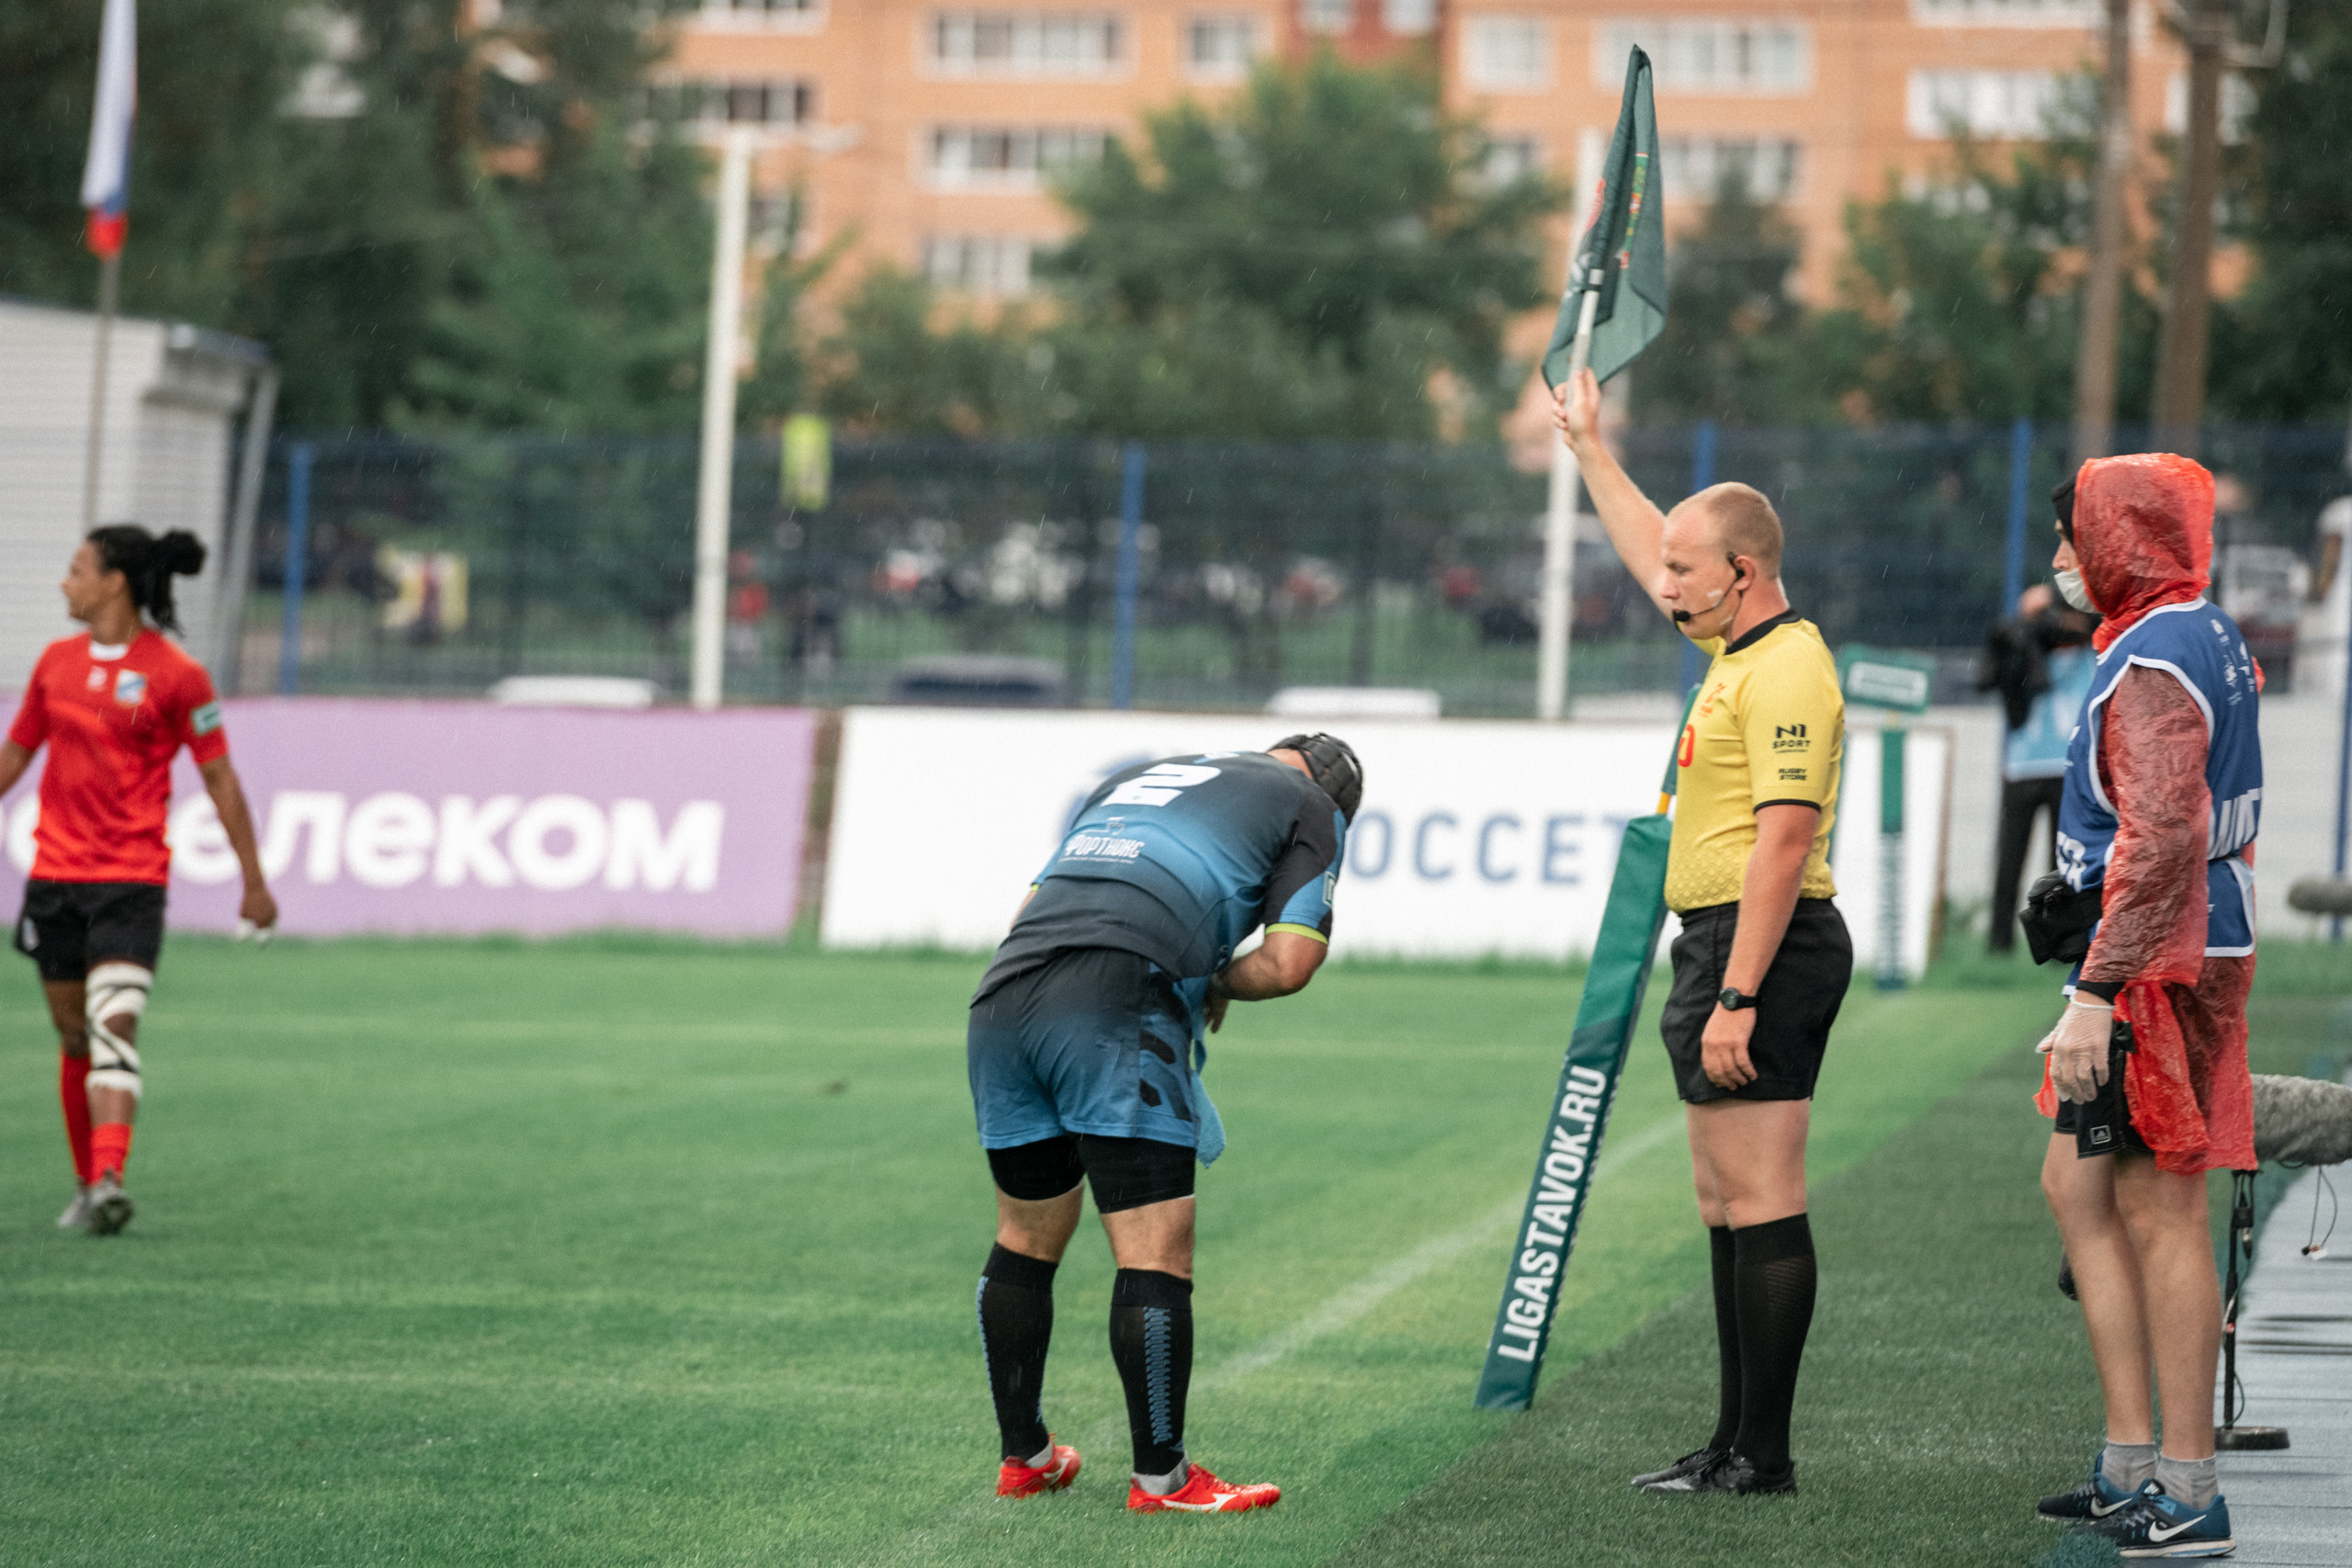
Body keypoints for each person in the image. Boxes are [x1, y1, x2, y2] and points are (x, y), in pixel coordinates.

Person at [1554, 367, 1849, 1496]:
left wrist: (1737, 994)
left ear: (1744, 574)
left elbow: (1784, 842)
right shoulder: (1735, 645)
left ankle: (1761, 1457)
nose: (1662, 584)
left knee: (1763, 1192)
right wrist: (1590, 448)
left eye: (1685, 570)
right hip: (1719, 941)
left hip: (1760, 947)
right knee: (1723, 1200)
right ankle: (1730, 1444)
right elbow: (1653, 548)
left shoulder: (1788, 667)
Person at [966, 735, 1359, 1514]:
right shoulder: (1313, 805)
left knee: (1025, 1236)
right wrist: (1210, 979)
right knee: (1154, 1249)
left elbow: (1029, 906)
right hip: (1117, 995)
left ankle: (1027, 1457)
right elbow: (1288, 962)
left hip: (1004, 994)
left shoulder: (1139, 775)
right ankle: (1163, 1479)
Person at [2032, 456, 2257, 1559]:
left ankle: (2188, 1486)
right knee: (2075, 1185)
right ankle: (2134, 1463)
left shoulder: (2157, 650)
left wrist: (2094, 989)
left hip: (2157, 962)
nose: (2062, 562)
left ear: (2122, 542)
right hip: (2177, 943)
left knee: (2160, 1209)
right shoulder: (2191, 626)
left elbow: (2163, 833)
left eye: (2074, 537)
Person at [0, 525, 277, 1235]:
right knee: (72, 1036)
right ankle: (87, 1181)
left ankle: (112, 1176)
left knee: (113, 1023)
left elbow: (219, 775)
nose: (66, 583)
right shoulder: (55, 665)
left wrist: (253, 878)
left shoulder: (178, 674)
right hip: (55, 881)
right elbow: (17, 753)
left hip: (130, 882)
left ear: (113, 581)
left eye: (76, 570)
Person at [1978, 584, 2099, 953]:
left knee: (2061, 864)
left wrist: (2061, 611)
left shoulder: (2089, 650)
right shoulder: (2017, 652)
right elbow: (1989, 669)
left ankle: (2061, 945)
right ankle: (1999, 945)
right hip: (2021, 767)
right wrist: (2025, 623)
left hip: (2066, 768)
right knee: (2009, 860)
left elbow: (2098, 621)